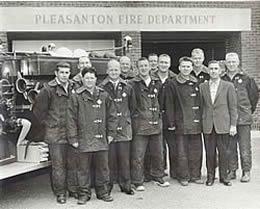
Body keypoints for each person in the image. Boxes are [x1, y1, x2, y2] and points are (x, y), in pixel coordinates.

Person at [68, 67, 116, 204]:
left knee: (103, 167)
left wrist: (111, 133)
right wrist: (73, 138)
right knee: (83, 169)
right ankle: (84, 194)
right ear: (82, 79)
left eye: (92, 78)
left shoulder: (104, 95)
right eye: (87, 78)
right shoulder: (76, 96)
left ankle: (103, 192)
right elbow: (70, 119)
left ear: (96, 79)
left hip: (101, 138)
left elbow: (112, 116)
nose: (89, 80)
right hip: (83, 139)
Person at [33, 62, 75, 204]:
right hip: (55, 134)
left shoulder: (73, 87)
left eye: (67, 72)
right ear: (56, 73)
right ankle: (60, 193)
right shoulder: (47, 90)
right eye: (62, 72)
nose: (64, 75)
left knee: (72, 163)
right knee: (58, 165)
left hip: (71, 132)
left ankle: (72, 189)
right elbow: (38, 112)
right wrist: (50, 124)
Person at [129, 57, 170, 191]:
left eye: (146, 65)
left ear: (150, 67)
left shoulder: (157, 82)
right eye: (141, 66)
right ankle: (138, 181)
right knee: (138, 155)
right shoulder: (132, 84)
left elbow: (162, 102)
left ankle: (158, 176)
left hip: (156, 124)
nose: (144, 68)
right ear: (137, 68)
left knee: (158, 152)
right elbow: (131, 106)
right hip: (140, 125)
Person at [164, 57, 203, 186]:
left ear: (192, 68)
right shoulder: (172, 83)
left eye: (188, 66)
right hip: (181, 123)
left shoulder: (196, 81)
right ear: (179, 68)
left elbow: (200, 103)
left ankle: (195, 175)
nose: (186, 69)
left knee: (196, 150)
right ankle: (184, 176)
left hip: (196, 123)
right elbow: (169, 104)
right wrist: (171, 122)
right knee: (182, 152)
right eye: (183, 66)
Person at [99, 59, 136, 195]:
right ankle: (107, 186)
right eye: (111, 70)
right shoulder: (101, 87)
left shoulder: (128, 87)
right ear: (107, 71)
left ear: (120, 71)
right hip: (108, 129)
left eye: (116, 70)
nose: (114, 72)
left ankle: (126, 185)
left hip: (124, 129)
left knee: (125, 159)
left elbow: (133, 108)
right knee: (109, 160)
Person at [222, 52, 259, 182]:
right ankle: (232, 170)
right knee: (230, 147)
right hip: (228, 119)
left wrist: (247, 111)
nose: (231, 64)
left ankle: (246, 171)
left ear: (238, 62)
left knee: (244, 147)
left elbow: (254, 97)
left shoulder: (247, 79)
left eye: (234, 62)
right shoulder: (223, 79)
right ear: (226, 63)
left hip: (243, 119)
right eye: (229, 62)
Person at [200, 60, 238, 186]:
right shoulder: (202, 86)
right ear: (208, 70)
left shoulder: (228, 86)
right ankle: (210, 176)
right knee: (210, 152)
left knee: (224, 152)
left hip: (223, 124)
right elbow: (201, 107)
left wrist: (233, 125)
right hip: (208, 125)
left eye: (216, 69)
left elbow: (233, 107)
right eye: (211, 69)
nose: (213, 71)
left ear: (221, 71)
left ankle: (224, 177)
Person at [149, 54, 177, 180]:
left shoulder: (174, 78)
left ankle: (175, 172)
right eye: (161, 62)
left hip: (171, 118)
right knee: (158, 148)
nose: (164, 65)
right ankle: (159, 172)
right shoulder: (151, 78)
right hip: (156, 117)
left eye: (166, 62)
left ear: (169, 64)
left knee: (174, 147)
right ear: (157, 63)